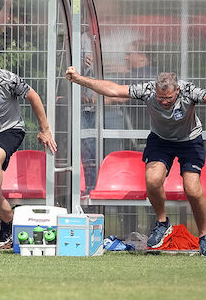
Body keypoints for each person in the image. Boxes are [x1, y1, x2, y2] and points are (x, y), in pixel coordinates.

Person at [66, 66, 206, 256]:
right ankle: (163, 223)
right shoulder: (148, 91)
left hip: (189, 139)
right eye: (161, 97)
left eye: (169, 98)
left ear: (178, 91)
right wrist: (79, 79)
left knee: (192, 188)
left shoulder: (189, 91)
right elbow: (114, 90)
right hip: (161, 140)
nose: (164, 102)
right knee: (152, 180)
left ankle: (204, 236)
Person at [0, 44, 57, 244]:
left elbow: (33, 96)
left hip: (10, 129)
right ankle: (10, 226)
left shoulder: (7, 80)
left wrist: (45, 129)